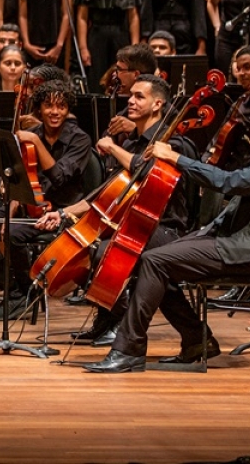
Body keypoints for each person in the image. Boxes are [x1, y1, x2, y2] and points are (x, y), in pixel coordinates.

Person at [84, 97, 250, 373]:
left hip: (247, 253)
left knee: (156, 261)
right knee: (155, 261)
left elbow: (225, 183)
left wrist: (176, 157)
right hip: (231, 242)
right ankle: (196, 341)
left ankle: (128, 350)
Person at [56, 75, 196, 341]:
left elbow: (145, 168)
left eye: (138, 96)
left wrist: (112, 147)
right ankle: (107, 319)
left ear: (157, 104)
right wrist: (64, 212)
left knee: (104, 251)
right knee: (85, 243)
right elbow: (106, 193)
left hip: (164, 228)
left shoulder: (172, 145)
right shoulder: (132, 143)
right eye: (131, 95)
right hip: (133, 223)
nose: (130, 100)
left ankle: (117, 322)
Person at [0, 79, 93, 320]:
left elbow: (59, 178)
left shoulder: (79, 140)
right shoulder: (31, 133)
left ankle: (22, 295)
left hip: (60, 212)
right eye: (48, 106)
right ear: (39, 108)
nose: (55, 112)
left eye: (62, 106)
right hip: (30, 208)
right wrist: (10, 211)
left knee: (13, 234)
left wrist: (34, 142)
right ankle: (17, 289)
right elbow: (20, 180)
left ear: (68, 109)